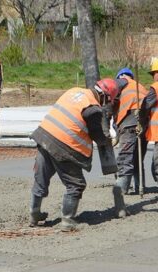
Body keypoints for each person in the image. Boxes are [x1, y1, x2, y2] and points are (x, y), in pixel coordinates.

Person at [29, 79, 120, 231]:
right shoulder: (93, 108)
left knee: (41, 177)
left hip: (44, 135)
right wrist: (108, 139)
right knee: (76, 184)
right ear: (104, 96)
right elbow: (98, 136)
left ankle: (34, 213)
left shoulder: (74, 91)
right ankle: (68, 220)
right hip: (63, 145)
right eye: (108, 101)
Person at [112, 67, 149, 218]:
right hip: (143, 125)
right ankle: (140, 186)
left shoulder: (120, 83)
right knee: (138, 158)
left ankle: (122, 192)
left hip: (128, 124)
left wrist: (114, 130)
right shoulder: (141, 86)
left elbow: (112, 108)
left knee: (125, 160)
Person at [145, 60, 158, 183]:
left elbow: (146, 105)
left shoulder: (156, 87)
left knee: (156, 163)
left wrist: (139, 116)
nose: (153, 76)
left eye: (154, 73)